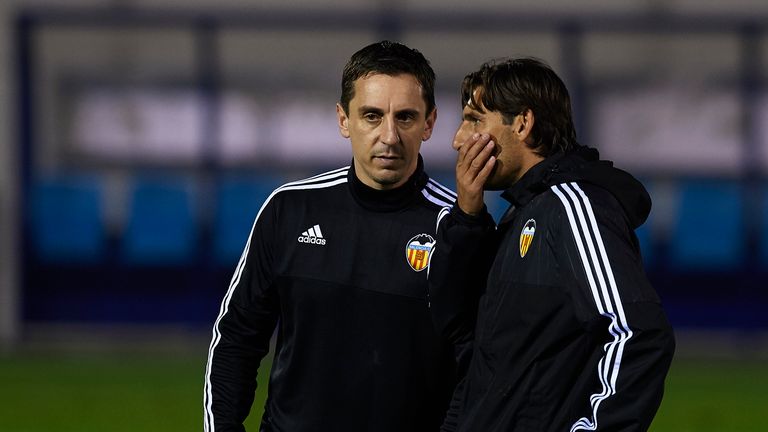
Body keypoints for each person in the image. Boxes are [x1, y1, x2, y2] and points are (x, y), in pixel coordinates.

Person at [203, 40, 458, 432]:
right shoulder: (290, 210)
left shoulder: (456, 229)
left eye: (405, 117)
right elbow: (237, 336)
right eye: (372, 116)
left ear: (429, 123)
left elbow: (480, 369)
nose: (389, 136)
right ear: (344, 120)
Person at [428, 58, 676, 431]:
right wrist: (466, 216)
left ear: (523, 123)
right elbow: (467, 343)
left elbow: (636, 333)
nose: (458, 140)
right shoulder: (521, 214)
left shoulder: (573, 207)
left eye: (475, 120)